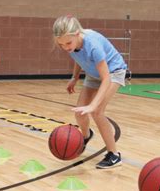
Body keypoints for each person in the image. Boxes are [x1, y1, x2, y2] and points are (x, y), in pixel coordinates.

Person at [53, 15, 127, 169]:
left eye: (68, 43)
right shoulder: (72, 44)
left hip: (113, 72)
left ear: (78, 34)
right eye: (62, 45)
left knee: (97, 112)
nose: (66, 47)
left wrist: (93, 105)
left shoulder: (93, 45)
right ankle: (86, 136)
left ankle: (114, 155)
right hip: (94, 73)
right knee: (80, 112)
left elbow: (106, 79)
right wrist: (74, 77)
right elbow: (79, 57)